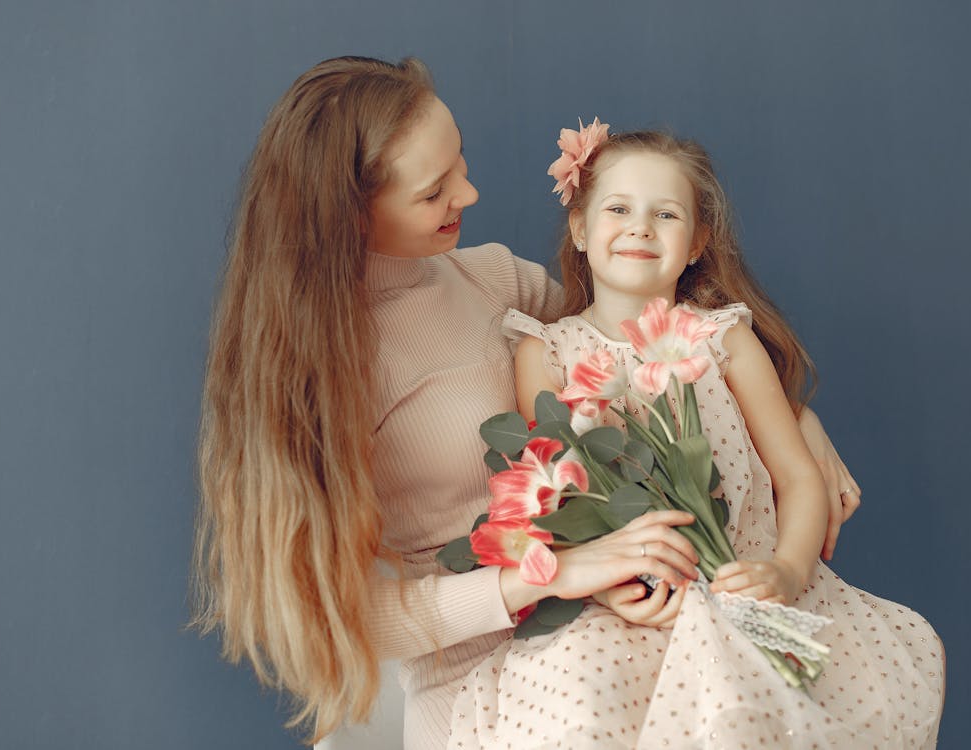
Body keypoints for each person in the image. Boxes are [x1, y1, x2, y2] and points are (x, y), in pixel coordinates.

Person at [189, 56, 863, 750]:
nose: (470, 194)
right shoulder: (320, 375)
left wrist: (790, 423)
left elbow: (640, 349)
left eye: (460, 163)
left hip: (624, 625)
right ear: (348, 212)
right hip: (478, 667)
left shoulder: (493, 280)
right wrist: (555, 574)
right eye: (433, 192)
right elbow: (344, 619)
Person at [446, 126, 944, 748]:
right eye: (619, 209)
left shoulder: (722, 339)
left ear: (697, 244)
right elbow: (559, 496)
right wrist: (615, 588)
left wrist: (787, 572)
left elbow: (797, 473)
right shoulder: (547, 352)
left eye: (667, 214)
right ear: (579, 229)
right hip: (632, 607)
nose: (641, 227)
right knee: (582, 707)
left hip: (744, 585)